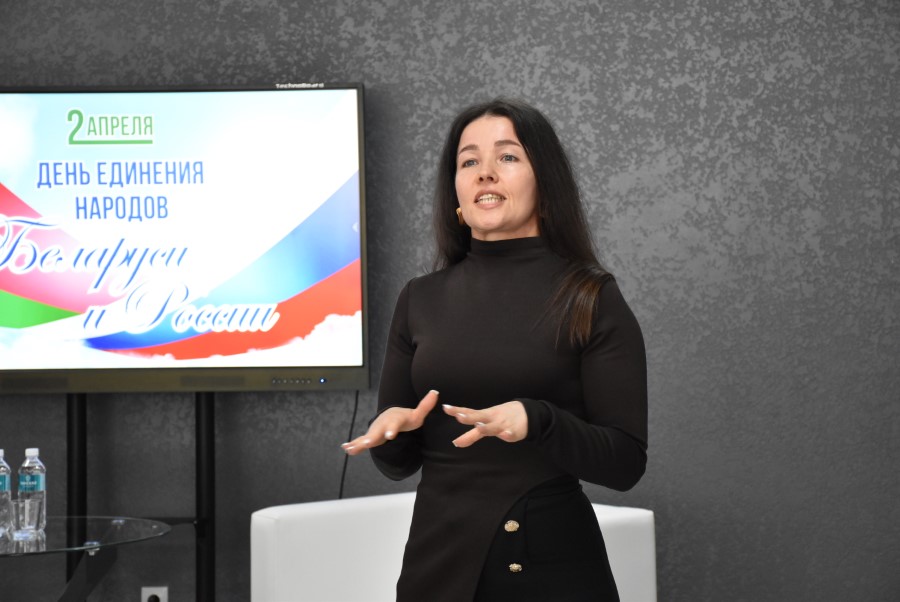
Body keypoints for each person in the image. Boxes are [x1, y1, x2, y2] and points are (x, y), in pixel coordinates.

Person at [342, 98, 647, 602]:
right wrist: (394, 431)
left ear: (544, 183)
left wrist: (538, 420)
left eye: (507, 156)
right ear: (457, 194)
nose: (485, 172)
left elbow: (625, 463)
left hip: (549, 569)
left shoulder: (590, 296)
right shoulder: (419, 298)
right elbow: (398, 465)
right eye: (469, 161)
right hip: (435, 566)